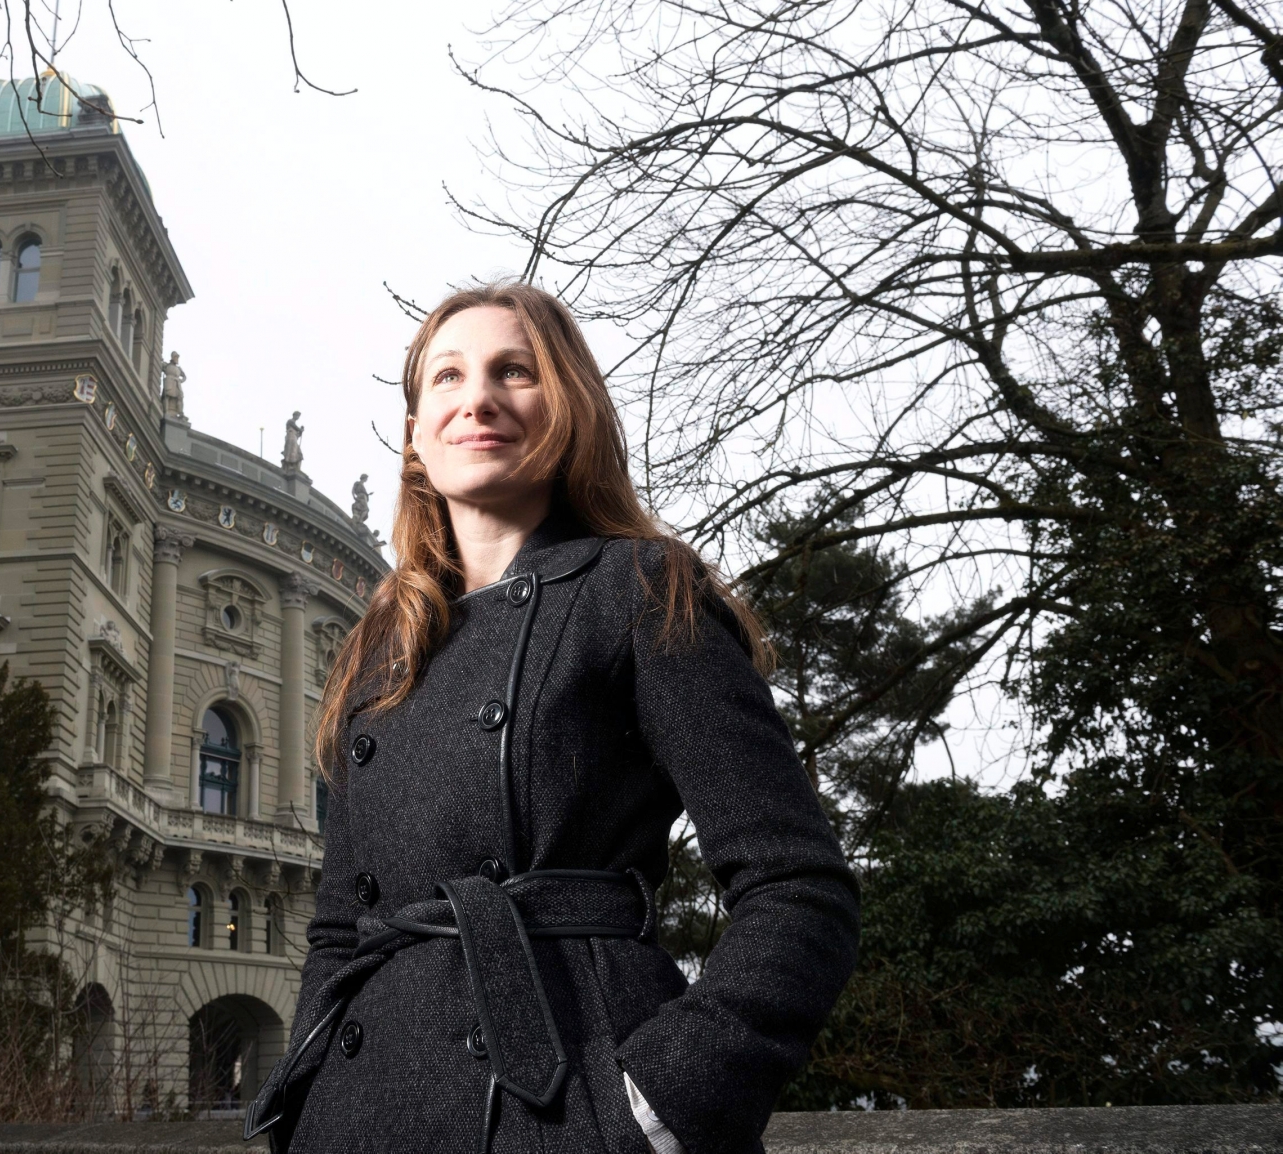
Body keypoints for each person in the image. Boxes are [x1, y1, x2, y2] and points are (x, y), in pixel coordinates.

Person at [245, 283, 859, 1154]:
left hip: (570, 1099)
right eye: (447, 379)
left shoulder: (639, 589)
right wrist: (293, 1109)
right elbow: (341, 927)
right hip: (358, 1113)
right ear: (417, 437)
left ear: (568, 407)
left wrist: (654, 1106)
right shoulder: (377, 653)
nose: (478, 399)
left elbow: (798, 886)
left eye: (514, 372)